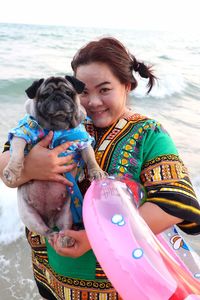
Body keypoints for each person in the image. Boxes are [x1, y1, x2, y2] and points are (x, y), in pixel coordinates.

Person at [0, 37, 200, 300]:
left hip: (117, 282)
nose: (93, 101)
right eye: (84, 92)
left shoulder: (149, 134)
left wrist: (93, 238)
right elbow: (6, 167)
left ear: (126, 86)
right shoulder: (54, 123)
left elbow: (176, 203)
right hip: (52, 273)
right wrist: (32, 168)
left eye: (104, 89)